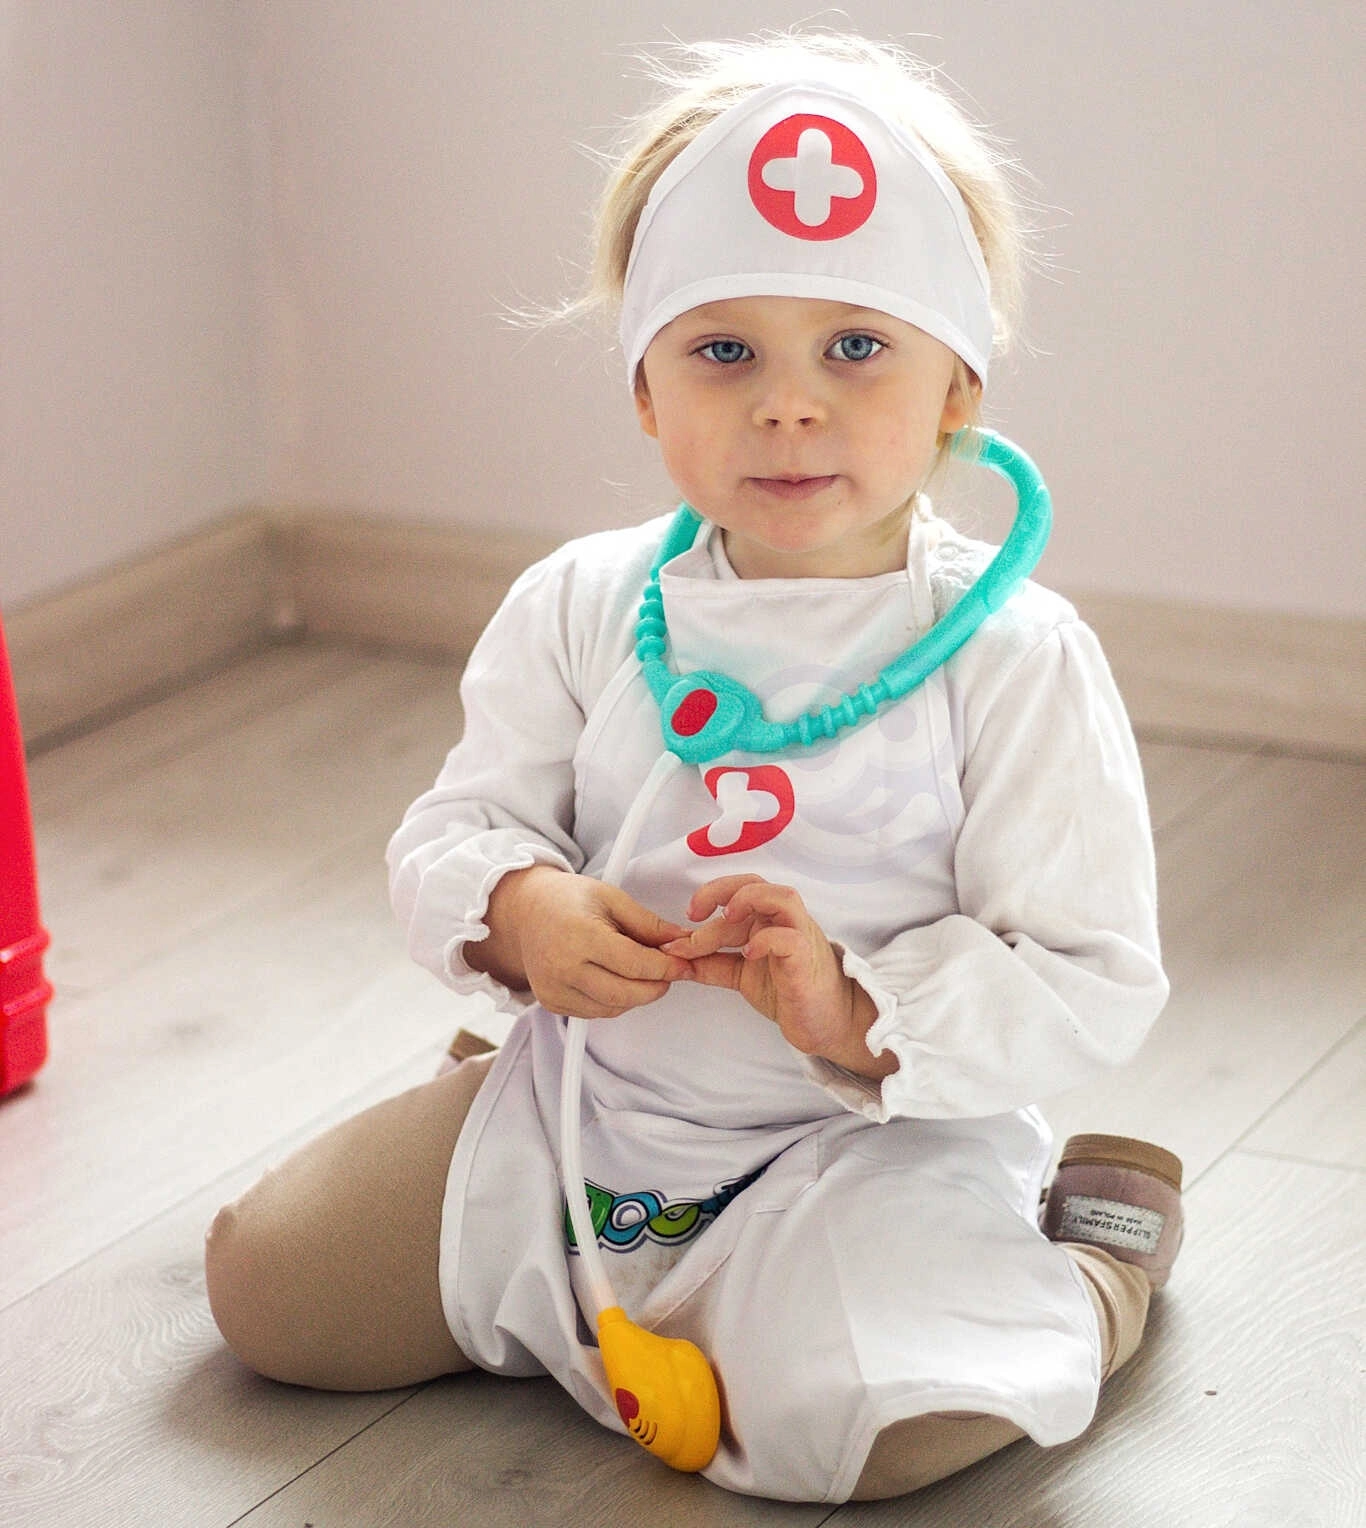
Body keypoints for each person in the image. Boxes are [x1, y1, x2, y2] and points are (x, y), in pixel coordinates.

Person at [205, 32, 1184, 1502]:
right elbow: (459, 824)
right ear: (645, 392)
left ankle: (1096, 1260)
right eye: (723, 351)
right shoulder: (582, 605)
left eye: (855, 347)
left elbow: (1086, 970)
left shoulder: (1014, 657)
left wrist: (854, 1008)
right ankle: (596, 1255)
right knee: (268, 1289)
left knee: (887, 1436)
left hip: (861, 1148)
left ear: (958, 389)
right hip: (586, 1113)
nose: (787, 404)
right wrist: (520, 912)